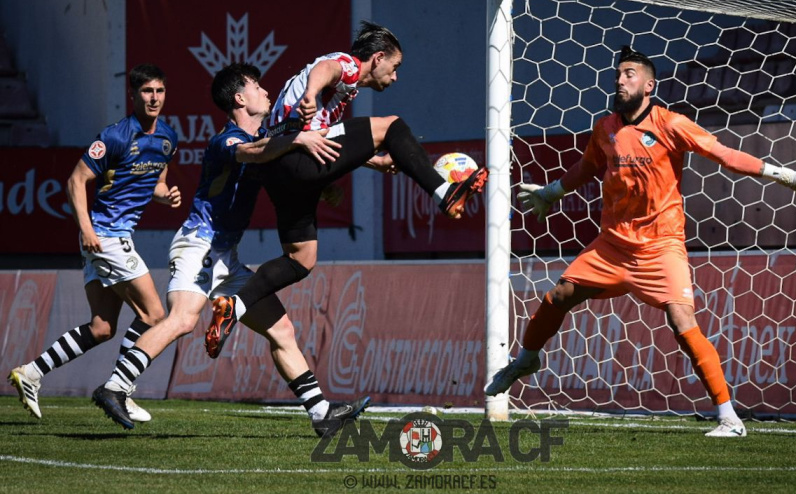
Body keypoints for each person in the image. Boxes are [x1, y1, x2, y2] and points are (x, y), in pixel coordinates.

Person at [484, 46, 796, 438]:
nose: (620, 80)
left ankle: (729, 418)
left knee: (681, 321)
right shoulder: (605, 129)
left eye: (630, 74)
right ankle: (525, 361)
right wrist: (551, 192)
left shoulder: (671, 124)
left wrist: (787, 176)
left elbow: (723, 155)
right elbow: (587, 167)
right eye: (618, 74)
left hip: (661, 245)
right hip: (613, 245)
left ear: (649, 85)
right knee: (558, 296)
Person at [92, 63, 370, 437]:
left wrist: (372, 160)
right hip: (199, 244)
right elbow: (254, 153)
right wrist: (298, 141)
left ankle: (321, 413)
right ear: (240, 98)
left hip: (227, 256)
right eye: (257, 86)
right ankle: (114, 386)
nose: (266, 91)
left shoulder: (268, 138)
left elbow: (289, 154)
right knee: (183, 320)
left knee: (282, 329)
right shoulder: (227, 140)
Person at [204, 21, 488, 356]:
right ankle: (446, 193)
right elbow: (327, 68)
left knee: (300, 259)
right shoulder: (348, 66)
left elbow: (330, 138)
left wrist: (372, 163)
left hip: (280, 171)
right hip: (297, 155)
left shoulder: (342, 94)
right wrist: (311, 93)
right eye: (394, 67)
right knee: (392, 126)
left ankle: (233, 308)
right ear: (378, 58)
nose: (394, 77)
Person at [7, 64, 180, 423]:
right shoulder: (115, 136)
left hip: (108, 239)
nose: (154, 98)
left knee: (102, 328)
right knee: (156, 315)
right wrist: (86, 228)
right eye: (147, 91)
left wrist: (166, 196)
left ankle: (31, 373)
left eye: (159, 91)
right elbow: (75, 180)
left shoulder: (167, 138)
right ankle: (121, 387)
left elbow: (156, 183)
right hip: (106, 236)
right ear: (132, 95)